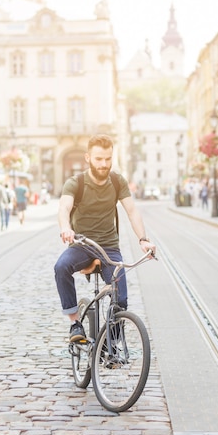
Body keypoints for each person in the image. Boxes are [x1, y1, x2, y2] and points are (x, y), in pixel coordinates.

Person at [54, 134, 156, 343]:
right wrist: (66, 228)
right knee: (61, 267)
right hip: (82, 246)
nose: (104, 164)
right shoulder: (77, 182)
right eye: (99, 159)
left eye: (108, 159)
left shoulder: (117, 181)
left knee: (122, 299)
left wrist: (143, 239)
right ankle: (75, 324)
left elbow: (132, 211)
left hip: (109, 247)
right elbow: (64, 207)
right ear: (88, 158)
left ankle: (111, 346)